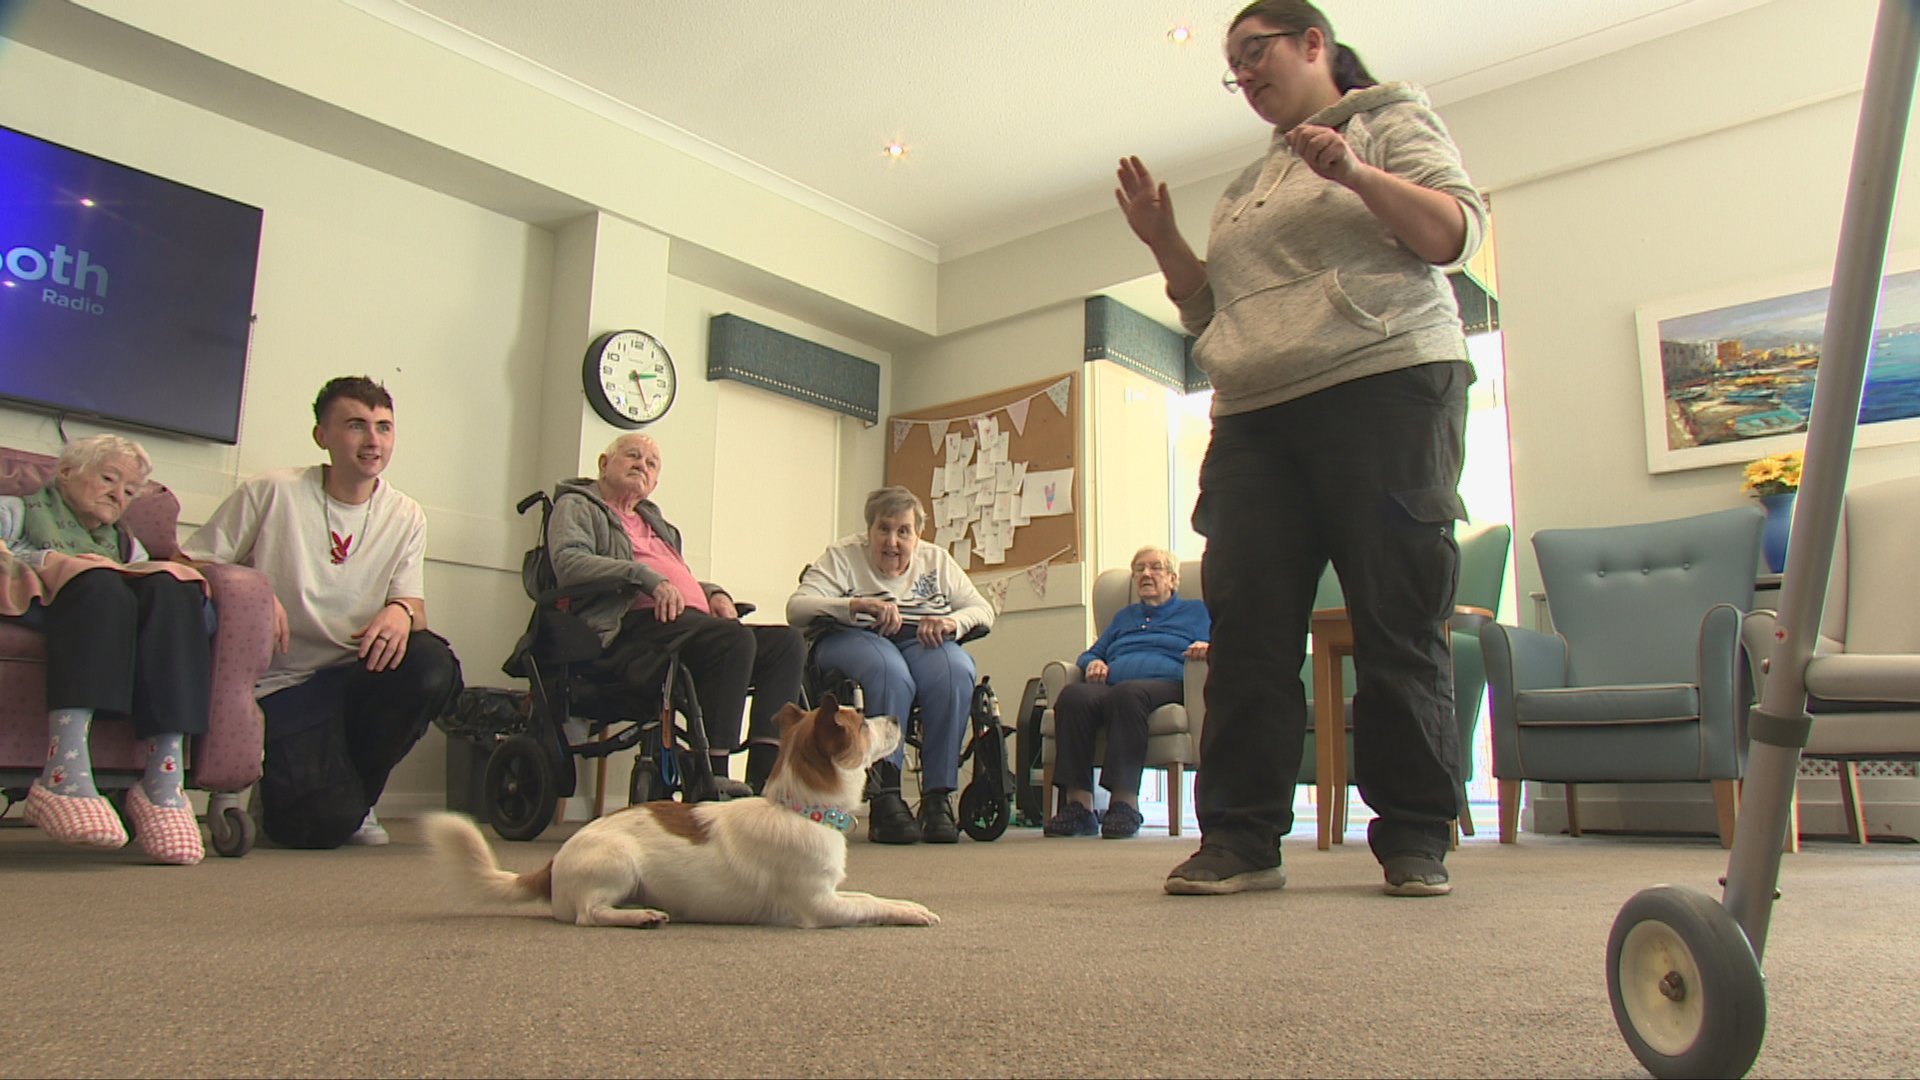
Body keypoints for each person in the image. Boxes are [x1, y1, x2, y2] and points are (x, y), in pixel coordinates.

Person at [1116, 0, 1486, 897]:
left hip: (1385, 386)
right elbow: (1210, 313)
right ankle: (1241, 837)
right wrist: (1164, 239)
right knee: (1245, 629)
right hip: (1255, 413)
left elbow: (1452, 234)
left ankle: (1412, 835)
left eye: (1256, 53)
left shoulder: (1394, 119)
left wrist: (1357, 172)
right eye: (1232, 68)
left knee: (1396, 619)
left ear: (1313, 43)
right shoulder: (1247, 188)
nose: (1245, 77)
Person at [181, 376, 462, 849]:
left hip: (353, 674)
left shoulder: (406, 513)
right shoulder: (273, 491)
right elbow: (187, 563)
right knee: (315, 828)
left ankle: (359, 797)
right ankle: (327, 800)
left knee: (432, 663)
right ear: (322, 436)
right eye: (356, 425)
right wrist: (250, 588)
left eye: (384, 427)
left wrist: (398, 610)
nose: (373, 440)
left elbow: (414, 607)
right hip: (281, 684)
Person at [545, 432, 802, 796]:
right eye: (632, 456)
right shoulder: (577, 505)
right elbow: (569, 563)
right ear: (604, 464)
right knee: (733, 639)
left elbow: (679, 575)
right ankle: (713, 770)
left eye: (651, 463)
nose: (641, 465)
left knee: (786, 643)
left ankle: (765, 774)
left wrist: (714, 594)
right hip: (631, 629)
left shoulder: (652, 520)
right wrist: (643, 577)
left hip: (687, 625)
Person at [1, 435, 212, 865]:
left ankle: (163, 784)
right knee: (96, 581)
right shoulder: (15, 509)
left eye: (129, 491)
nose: (118, 495)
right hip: (41, 607)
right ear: (66, 474)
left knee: (172, 589)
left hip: (104, 616)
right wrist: (43, 565)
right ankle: (64, 772)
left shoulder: (124, 543)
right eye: (108, 479)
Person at [787, 486, 995, 845]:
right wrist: (852, 605)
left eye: (904, 531)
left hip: (920, 639)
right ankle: (887, 796)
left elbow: (982, 610)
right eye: (883, 529)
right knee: (889, 671)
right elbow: (797, 607)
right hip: (852, 638)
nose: (892, 541)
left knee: (956, 670)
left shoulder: (937, 561)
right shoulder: (843, 556)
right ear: (869, 531)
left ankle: (937, 798)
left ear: (918, 535)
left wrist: (951, 624)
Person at [1043, 546, 1209, 840]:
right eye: (1139, 569)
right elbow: (1091, 653)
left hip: (1165, 684)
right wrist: (1093, 662)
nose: (1146, 574)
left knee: (1128, 694)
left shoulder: (1195, 612)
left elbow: (1220, 642)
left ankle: (1124, 804)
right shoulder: (1124, 617)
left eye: (1155, 568)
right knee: (1072, 697)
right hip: (1114, 685)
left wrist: (1206, 648)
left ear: (1172, 579)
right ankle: (1079, 807)